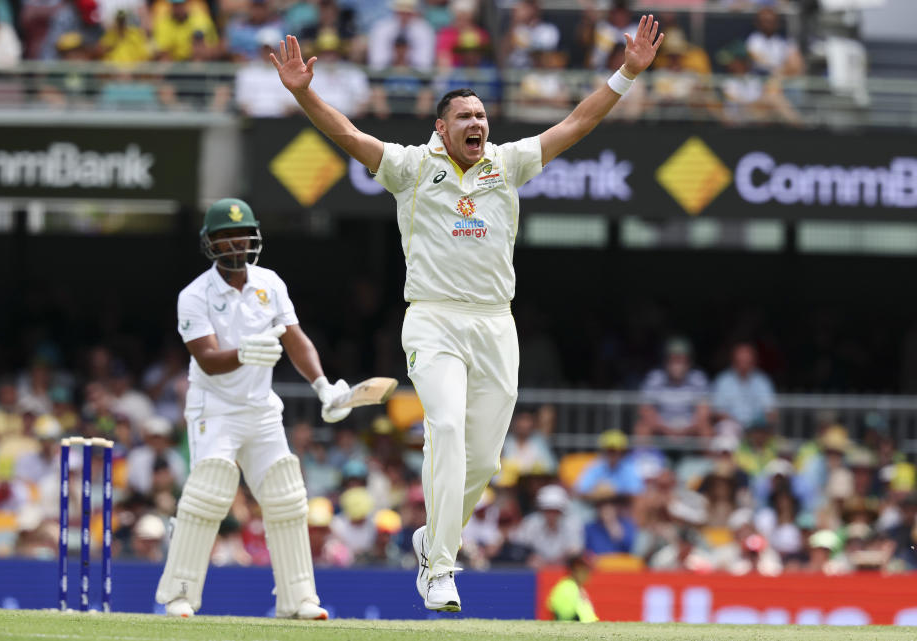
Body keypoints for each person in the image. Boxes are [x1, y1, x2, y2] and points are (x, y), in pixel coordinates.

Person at [269, 15, 663, 611]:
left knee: (482, 460)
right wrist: (302, 93)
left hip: (495, 323)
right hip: (432, 317)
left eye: (481, 116)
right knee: (445, 429)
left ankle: (435, 536)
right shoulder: (409, 167)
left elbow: (578, 123)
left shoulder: (509, 164)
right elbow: (349, 136)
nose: (477, 124)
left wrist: (628, 72)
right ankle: (441, 568)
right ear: (441, 128)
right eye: (465, 117)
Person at [154, 198, 353, 620]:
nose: (235, 244)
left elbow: (296, 339)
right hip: (215, 407)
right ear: (210, 243)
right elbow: (207, 358)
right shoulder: (194, 295)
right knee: (209, 493)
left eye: (241, 235)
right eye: (225, 237)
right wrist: (245, 352)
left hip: (261, 409)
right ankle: (180, 594)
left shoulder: (270, 283)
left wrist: (322, 386)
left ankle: (297, 599)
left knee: (286, 495)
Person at [635, 337, 710, 440]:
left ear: (689, 361)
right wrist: (665, 429)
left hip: (690, 426)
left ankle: (711, 456)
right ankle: (643, 456)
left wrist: (687, 429)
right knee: (642, 427)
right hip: (661, 425)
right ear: (666, 360)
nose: (677, 365)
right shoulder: (654, 377)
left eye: (681, 360)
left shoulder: (698, 378)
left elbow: (704, 411)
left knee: (706, 428)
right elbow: (645, 409)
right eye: (674, 359)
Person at [546, 554, 599, 622]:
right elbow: (565, 616)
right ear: (574, 571)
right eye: (584, 570)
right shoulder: (567, 588)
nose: (587, 574)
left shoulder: (578, 588)